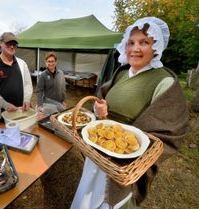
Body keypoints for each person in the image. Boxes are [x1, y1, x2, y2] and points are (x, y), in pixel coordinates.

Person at [71, 17, 189, 209]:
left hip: (126, 164)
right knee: (89, 196)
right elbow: (101, 102)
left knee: (112, 202)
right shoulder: (122, 72)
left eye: (144, 42)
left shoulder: (164, 81)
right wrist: (99, 111)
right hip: (99, 151)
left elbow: (172, 131)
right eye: (131, 42)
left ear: (156, 46)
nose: (135, 49)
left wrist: (127, 147)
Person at [0, 32, 33, 123]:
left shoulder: (22, 64)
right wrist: (5, 105)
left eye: (14, 44)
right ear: (1, 43)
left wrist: (26, 99)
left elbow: (28, 84)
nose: (12, 47)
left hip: (21, 112)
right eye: (8, 43)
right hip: (2, 114)